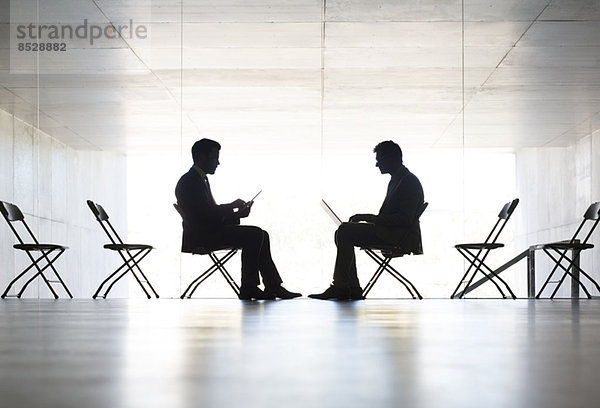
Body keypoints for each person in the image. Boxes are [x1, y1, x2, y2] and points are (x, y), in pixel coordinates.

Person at [175, 138, 301, 300]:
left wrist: (236, 214)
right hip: (203, 236)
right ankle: (251, 287)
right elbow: (203, 214)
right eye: (215, 158)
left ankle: (271, 286)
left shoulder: (196, 179)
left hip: (206, 231)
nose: (218, 162)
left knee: (261, 234)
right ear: (201, 157)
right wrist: (231, 207)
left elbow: (206, 214)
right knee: (255, 234)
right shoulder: (190, 181)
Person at [309, 141, 424, 300]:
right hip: (393, 233)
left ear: (390, 158)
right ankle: (350, 287)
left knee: (344, 231)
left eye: (379, 159)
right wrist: (370, 220)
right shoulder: (401, 179)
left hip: (398, 236)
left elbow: (405, 219)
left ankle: (343, 287)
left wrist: (369, 218)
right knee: (342, 231)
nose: (377, 164)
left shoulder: (407, 182)